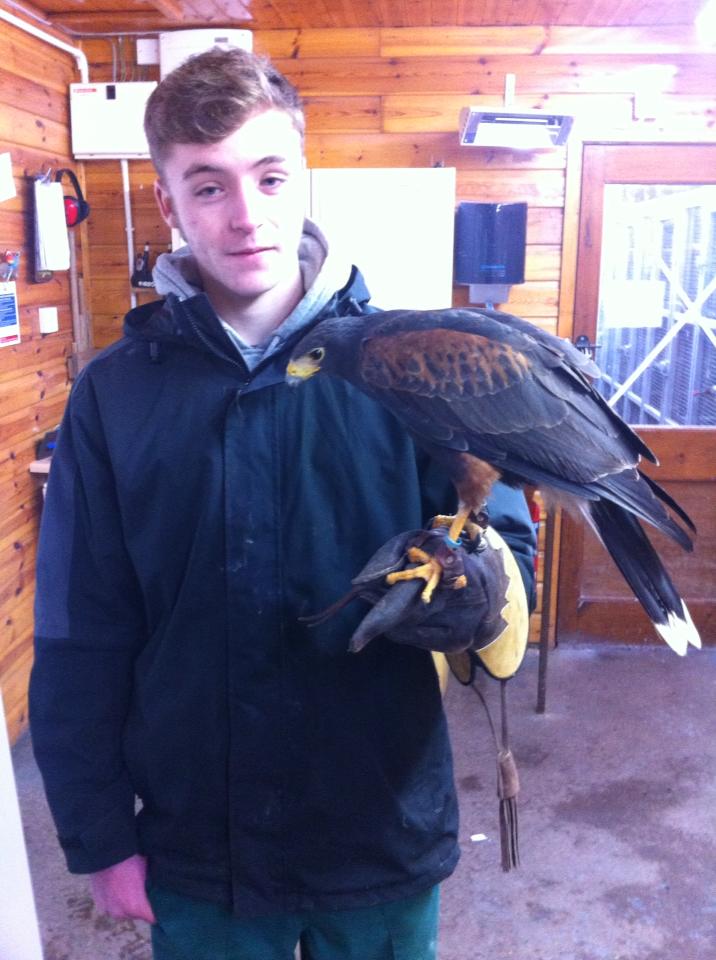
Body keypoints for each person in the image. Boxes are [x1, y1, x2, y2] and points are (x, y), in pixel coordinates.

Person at [30, 47, 536, 960]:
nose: (247, 214)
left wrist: (483, 591)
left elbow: (505, 541)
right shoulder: (113, 395)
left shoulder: (412, 366)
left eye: (270, 176)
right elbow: (80, 631)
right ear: (168, 205)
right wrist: (100, 837)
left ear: (304, 180)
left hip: (375, 833)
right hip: (199, 849)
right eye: (210, 186)